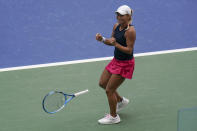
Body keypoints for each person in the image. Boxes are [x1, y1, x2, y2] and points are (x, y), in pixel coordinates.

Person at [95, 5, 136, 124]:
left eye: (122, 15)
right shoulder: (116, 26)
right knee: (102, 83)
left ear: (128, 16)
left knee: (109, 90)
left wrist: (116, 45)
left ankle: (114, 117)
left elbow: (129, 50)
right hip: (116, 61)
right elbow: (111, 41)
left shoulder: (130, 31)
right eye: (117, 14)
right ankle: (120, 101)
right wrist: (102, 39)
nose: (118, 17)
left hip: (125, 64)